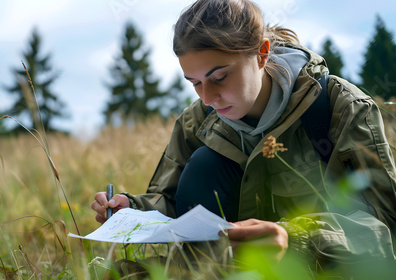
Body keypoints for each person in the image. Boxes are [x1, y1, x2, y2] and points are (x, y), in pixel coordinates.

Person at [91, 0, 396, 273]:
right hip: (222, 269)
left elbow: (384, 227)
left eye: (219, 77)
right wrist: (130, 209)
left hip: (313, 268)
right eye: (195, 83)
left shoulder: (338, 107)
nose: (207, 97)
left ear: (262, 53)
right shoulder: (195, 121)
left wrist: (295, 238)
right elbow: (175, 206)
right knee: (203, 165)